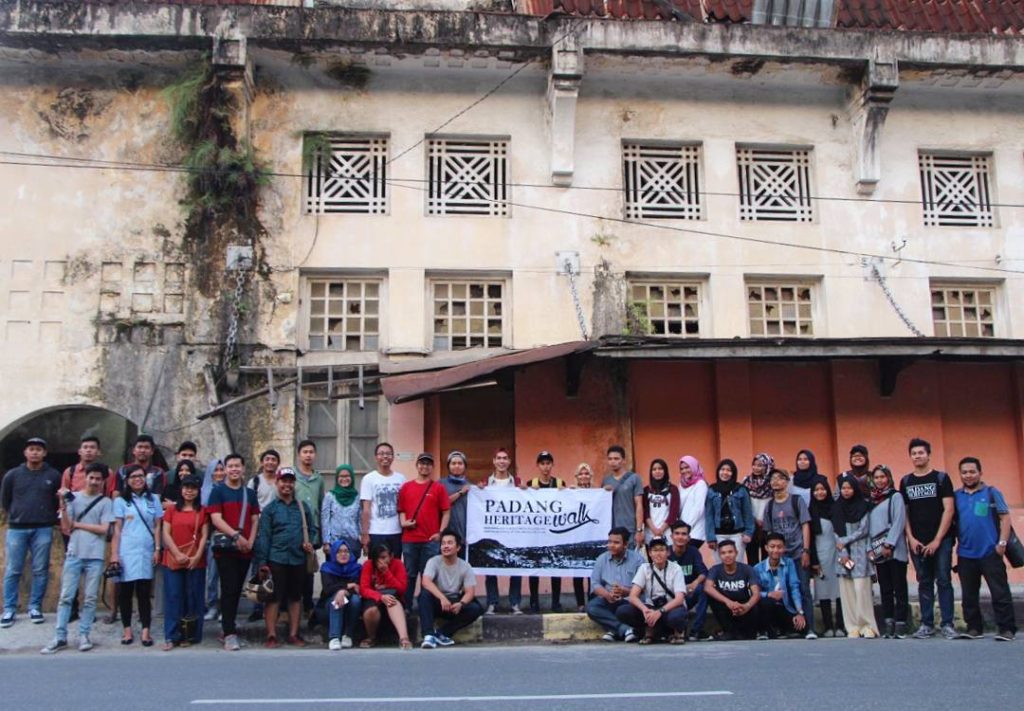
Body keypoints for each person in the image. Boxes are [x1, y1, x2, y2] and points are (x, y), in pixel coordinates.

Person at [40, 464, 113, 653]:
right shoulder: (74, 498)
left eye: (98, 479)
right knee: (66, 597)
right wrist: (63, 505)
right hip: (74, 553)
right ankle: (60, 636)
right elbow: (66, 526)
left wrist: (78, 524)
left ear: (103, 481)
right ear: (86, 477)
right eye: (92, 477)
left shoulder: (105, 502)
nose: (95, 481)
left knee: (90, 598)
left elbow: (104, 529)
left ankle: (84, 634)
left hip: (95, 556)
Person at [953, 456, 1016, 641]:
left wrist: (1002, 544)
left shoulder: (991, 492)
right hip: (965, 553)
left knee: (999, 592)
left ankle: (1006, 629)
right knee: (969, 595)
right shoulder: (957, 496)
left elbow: (1005, 517)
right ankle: (974, 628)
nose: (968, 475)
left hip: (990, 551)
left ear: (980, 473)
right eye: (964, 472)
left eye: (972, 471)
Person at [1, 437, 62, 629]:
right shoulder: (12, 475)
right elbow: (5, 500)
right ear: (25, 453)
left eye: (38, 450)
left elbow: (57, 501)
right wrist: (16, 514)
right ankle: (9, 608)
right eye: (31, 449)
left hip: (43, 527)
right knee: (13, 569)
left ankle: (35, 607)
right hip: (17, 528)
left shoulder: (53, 475)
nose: (35, 452)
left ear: (44, 453)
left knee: (40, 569)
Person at [899, 437, 956, 640]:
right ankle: (926, 624)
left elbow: (949, 509)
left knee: (943, 580)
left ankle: (948, 624)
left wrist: (938, 540)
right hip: (917, 542)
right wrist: (911, 538)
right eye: (914, 453)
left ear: (928, 455)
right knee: (924, 582)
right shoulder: (906, 482)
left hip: (941, 540)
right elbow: (904, 513)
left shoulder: (941, 478)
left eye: (921, 452)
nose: (917, 456)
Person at [254, 468, 318, 648]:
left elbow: (312, 530)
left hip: (298, 559)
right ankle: (271, 635)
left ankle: (293, 634)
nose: (287, 485)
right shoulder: (269, 510)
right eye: (284, 481)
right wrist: (262, 562)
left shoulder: (302, 507)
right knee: (273, 598)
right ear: (277, 483)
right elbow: (264, 537)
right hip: (276, 559)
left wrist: (310, 542)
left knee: (295, 597)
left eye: (290, 481)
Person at [207, 453, 260, 651]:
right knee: (228, 588)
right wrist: (237, 537)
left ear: (243, 468)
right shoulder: (218, 492)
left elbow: (255, 520)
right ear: (225, 469)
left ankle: (228, 627)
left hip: (245, 549)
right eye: (230, 466)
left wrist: (250, 541)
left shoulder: (250, 493)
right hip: (226, 549)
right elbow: (216, 519)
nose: (234, 469)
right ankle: (229, 632)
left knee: (237, 590)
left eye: (237, 466)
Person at [111, 463, 163, 646]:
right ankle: (127, 630)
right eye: (133, 477)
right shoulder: (120, 501)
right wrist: (114, 555)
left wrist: (157, 549)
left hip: (146, 551)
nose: (138, 479)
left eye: (141, 476)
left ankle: (146, 631)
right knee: (125, 592)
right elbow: (117, 529)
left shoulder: (153, 499)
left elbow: (157, 526)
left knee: (144, 592)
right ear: (127, 480)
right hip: (126, 550)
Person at [763, 468, 816, 638]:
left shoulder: (796, 501)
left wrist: (806, 550)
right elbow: (768, 532)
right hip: (780, 555)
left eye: (780, 478)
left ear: (787, 482)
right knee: (784, 590)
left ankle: (809, 628)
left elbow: (805, 525)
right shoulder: (770, 505)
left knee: (803, 589)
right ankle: (791, 627)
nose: (776, 481)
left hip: (798, 552)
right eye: (773, 479)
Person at [161, 474, 208, 650]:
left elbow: (204, 535)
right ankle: (171, 635)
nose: (189, 491)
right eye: (186, 487)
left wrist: (197, 556)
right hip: (173, 558)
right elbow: (166, 533)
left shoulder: (202, 510)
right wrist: (176, 552)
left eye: (193, 488)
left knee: (193, 597)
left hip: (196, 559)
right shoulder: (172, 510)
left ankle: (191, 634)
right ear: (181, 489)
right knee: (173, 596)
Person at [398, 453, 451, 610]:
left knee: (428, 576)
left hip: (430, 540)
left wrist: (440, 533)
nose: (424, 467)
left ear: (432, 467)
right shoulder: (406, 487)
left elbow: (446, 511)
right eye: (422, 463)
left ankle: (426, 607)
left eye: (428, 464)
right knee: (409, 575)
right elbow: (401, 510)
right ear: (417, 465)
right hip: (410, 539)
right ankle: (406, 607)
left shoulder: (438, 488)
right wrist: (403, 522)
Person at [419, 529, 484, 648]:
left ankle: (442, 634)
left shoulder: (465, 566)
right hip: (438, 601)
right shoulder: (434, 561)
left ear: (458, 548)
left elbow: (470, 592)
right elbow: (426, 581)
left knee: (475, 608)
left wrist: (461, 603)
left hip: (454, 603)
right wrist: (442, 598)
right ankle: (428, 636)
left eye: (449, 543)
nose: (445, 546)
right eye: (443, 543)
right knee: (424, 596)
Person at [616, 537, 688, 644]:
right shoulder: (644, 568)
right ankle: (649, 631)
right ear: (650, 553)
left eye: (661, 550)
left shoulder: (676, 568)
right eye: (655, 550)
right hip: (651, 608)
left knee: (676, 617)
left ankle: (677, 632)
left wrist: (660, 611)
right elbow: (633, 596)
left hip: (670, 607)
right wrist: (645, 610)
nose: (658, 554)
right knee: (623, 611)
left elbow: (679, 599)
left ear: (667, 552)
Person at [833, 478, 877, 638]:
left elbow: (864, 530)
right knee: (847, 592)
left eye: (849, 488)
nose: (846, 491)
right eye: (843, 488)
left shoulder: (864, 506)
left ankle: (867, 626)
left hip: (860, 551)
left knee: (861, 589)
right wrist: (842, 547)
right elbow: (835, 531)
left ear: (855, 489)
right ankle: (852, 626)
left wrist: (845, 540)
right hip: (842, 553)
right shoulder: (836, 508)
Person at [481, 448, 523, 615]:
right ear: (494, 461)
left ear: (509, 462)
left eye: (505, 458)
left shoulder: (517, 482)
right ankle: (492, 603)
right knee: (490, 566)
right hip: (493, 530)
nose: (502, 461)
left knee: (515, 566)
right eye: (499, 458)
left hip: (513, 531)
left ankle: (515, 603)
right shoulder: (485, 483)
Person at [869, 464, 908, 639]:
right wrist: (872, 549)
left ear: (889, 478)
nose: (879, 480)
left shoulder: (895, 496)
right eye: (876, 477)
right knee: (885, 588)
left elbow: (899, 520)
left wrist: (889, 545)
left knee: (899, 587)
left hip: (895, 549)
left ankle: (901, 623)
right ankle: (888, 622)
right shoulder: (871, 500)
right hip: (878, 551)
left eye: (882, 477)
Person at [586, 527, 644, 642]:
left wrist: (625, 591)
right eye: (610, 542)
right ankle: (625, 630)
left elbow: (644, 586)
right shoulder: (602, 559)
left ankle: (614, 631)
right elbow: (595, 583)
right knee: (592, 607)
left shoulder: (638, 560)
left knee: (623, 611)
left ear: (626, 544)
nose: (611, 545)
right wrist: (608, 595)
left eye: (616, 542)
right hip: (608, 599)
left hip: (629, 601)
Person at [526, 451, 565, 613]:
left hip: (555, 532)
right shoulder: (531, 483)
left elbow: (570, 502)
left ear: (552, 465)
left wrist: (568, 491)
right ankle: (533, 601)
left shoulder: (560, 483)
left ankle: (556, 601)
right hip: (536, 533)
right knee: (534, 566)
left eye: (548, 463)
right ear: (538, 465)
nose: (545, 467)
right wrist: (525, 491)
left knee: (556, 566)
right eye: (542, 463)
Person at [705, 539, 762, 640]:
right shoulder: (715, 569)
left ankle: (750, 632)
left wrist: (746, 606)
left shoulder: (747, 569)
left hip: (743, 606)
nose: (727, 555)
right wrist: (728, 602)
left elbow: (756, 593)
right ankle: (728, 631)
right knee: (711, 598)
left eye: (730, 552)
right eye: (723, 553)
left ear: (736, 553)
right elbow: (707, 587)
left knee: (756, 602)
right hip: (726, 607)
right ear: (719, 555)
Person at [809, 480, 845, 637]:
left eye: (822, 489)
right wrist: (814, 560)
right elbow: (809, 539)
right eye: (816, 490)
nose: (819, 492)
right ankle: (828, 626)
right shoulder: (811, 510)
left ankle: (841, 625)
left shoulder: (836, 508)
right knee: (823, 591)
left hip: (837, 553)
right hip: (820, 554)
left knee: (840, 590)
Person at [754, 532, 807, 639]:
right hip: (767, 608)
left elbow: (794, 587)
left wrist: (799, 612)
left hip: (784, 607)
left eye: (779, 547)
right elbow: (754, 593)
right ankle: (764, 631)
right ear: (766, 548)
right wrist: (769, 594)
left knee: (802, 628)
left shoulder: (789, 563)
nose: (776, 550)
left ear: (784, 548)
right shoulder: (757, 568)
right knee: (766, 603)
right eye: (772, 547)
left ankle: (782, 630)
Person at [360, 442, 406, 559]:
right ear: (376, 457)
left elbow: (405, 506)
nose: (385, 456)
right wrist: (365, 534)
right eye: (381, 454)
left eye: (388, 454)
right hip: (376, 532)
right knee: (376, 568)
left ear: (393, 457)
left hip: (396, 531)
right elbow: (366, 509)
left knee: (395, 565)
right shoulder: (368, 479)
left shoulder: (401, 479)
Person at [359, 543, 411, 649]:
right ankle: (371, 637)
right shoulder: (368, 565)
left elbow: (402, 588)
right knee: (371, 611)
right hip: (374, 598)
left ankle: (404, 638)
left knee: (392, 602)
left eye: (384, 557)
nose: (380, 561)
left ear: (391, 556)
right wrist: (380, 597)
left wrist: (386, 572)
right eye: (378, 558)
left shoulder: (397, 564)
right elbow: (364, 589)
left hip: (394, 596)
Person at [706, 458, 754, 564]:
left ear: (733, 473)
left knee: (737, 564)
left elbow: (748, 513)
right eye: (722, 469)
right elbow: (709, 515)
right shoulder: (712, 490)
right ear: (718, 471)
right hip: (718, 535)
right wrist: (710, 537)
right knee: (720, 566)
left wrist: (748, 533)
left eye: (728, 470)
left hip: (737, 534)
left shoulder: (741, 489)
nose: (725, 473)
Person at [667, 521, 709, 641]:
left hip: (689, 592)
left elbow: (703, 572)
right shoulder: (666, 553)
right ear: (671, 536)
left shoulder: (693, 551)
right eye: (677, 533)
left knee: (703, 590)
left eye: (684, 534)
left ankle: (696, 631)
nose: (680, 537)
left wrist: (694, 584)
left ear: (689, 537)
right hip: (671, 596)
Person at [319, 538, 362, 650]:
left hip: (349, 605)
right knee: (336, 599)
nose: (343, 554)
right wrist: (345, 587)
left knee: (356, 600)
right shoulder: (327, 567)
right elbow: (328, 589)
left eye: (346, 551)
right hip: (328, 607)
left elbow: (357, 588)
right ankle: (334, 637)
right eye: (339, 551)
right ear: (334, 553)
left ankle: (348, 635)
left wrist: (342, 591)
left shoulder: (356, 568)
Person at [602, 445, 645, 549]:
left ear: (624, 460)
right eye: (610, 459)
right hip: (612, 529)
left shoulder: (634, 478)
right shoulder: (605, 481)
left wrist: (639, 530)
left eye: (616, 459)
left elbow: (639, 504)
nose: (613, 462)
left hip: (630, 529)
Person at [201, 459, 225, 623]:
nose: (219, 473)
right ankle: (212, 605)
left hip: (228, 537)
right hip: (210, 537)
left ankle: (225, 608)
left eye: (221, 469)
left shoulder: (230, 489)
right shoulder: (204, 491)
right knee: (212, 576)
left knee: (227, 576)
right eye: (215, 470)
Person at [742, 453, 774, 565]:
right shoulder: (746, 482)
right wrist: (755, 520)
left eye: (760, 465)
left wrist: (765, 520)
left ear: (767, 466)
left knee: (768, 559)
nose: (756, 468)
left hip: (769, 526)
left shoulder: (772, 482)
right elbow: (744, 504)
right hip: (751, 525)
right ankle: (754, 582)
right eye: (754, 465)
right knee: (752, 560)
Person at [108, 434, 165, 499]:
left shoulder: (158, 473)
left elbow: (157, 497)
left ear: (152, 451)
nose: (143, 450)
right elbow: (116, 494)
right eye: (140, 447)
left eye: (146, 447)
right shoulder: (122, 471)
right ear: (133, 450)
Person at [322, 464, 361, 553]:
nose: (344, 479)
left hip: (352, 541)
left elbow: (359, 520)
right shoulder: (330, 496)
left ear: (352, 477)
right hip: (334, 542)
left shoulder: (357, 497)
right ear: (336, 478)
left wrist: (362, 539)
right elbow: (325, 520)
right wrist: (326, 542)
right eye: (341, 476)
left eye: (347, 476)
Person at [571, 462, 595, 611]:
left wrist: (606, 492)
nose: (584, 476)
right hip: (576, 537)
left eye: (586, 473)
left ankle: (592, 602)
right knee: (577, 571)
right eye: (581, 474)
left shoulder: (598, 493)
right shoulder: (571, 492)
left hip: (592, 536)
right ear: (576, 477)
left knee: (592, 572)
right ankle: (580, 603)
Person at [642, 459, 679, 542]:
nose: (657, 471)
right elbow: (645, 512)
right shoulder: (646, 490)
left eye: (660, 468)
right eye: (654, 469)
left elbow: (674, 512)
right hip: (650, 533)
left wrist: (661, 530)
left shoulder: (673, 489)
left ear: (665, 471)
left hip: (667, 534)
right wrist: (654, 529)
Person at [677, 455, 708, 549]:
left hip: (696, 531)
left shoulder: (700, 484)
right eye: (682, 469)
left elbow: (698, 509)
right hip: (683, 530)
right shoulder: (682, 484)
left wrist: (686, 527)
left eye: (687, 467)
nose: (684, 471)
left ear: (694, 466)